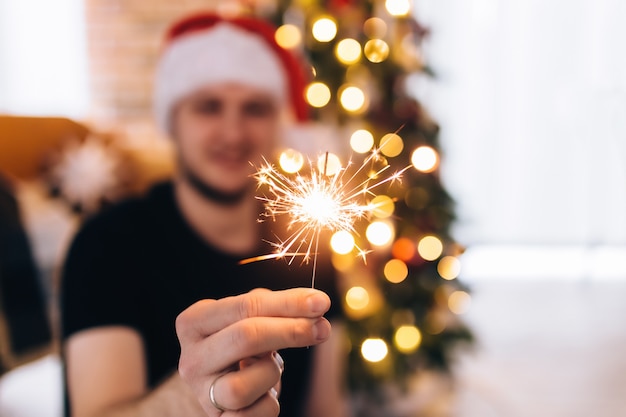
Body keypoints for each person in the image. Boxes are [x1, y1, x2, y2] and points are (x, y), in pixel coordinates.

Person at [60, 12, 348, 417]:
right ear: (172, 119)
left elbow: (326, 408)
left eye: (255, 108)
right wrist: (194, 396)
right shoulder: (107, 243)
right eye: (209, 107)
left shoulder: (306, 247)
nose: (233, 133)